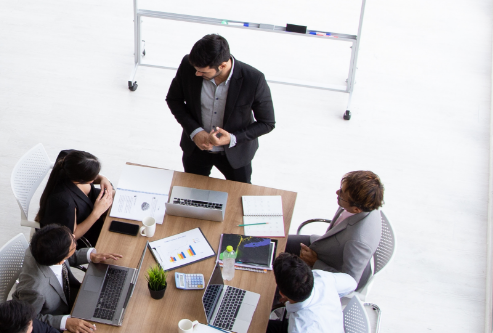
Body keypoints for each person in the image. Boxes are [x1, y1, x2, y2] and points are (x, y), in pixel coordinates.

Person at [165, 34, 275, 184]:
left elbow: (267, 123)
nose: (197, 74)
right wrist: (195, 131)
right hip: (196, 150)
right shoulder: (189, 65)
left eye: (203, 72)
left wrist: (233, 138)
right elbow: (174, 99)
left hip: (235, 155)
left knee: (238, 196)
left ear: (222, 66)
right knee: (192, 192)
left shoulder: (254, 80)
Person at [13, 224, 122, 333]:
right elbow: (28, 321)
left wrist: (90, 256)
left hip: (71, 296)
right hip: (56, 322)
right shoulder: (34, 289)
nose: (74, 236)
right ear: (60, 260)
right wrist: (65, 323)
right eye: (73, 245)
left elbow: (68, 256)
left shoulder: (43, 247)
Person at [264, 253, 356, 333]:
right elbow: (351, 283)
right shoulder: (322, 278)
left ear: (282, 293)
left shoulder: (300, 332)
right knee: (258, 327)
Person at [285, 171, 385, 288]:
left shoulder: (358, 242)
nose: (337, 192)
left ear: (357, 209)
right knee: (274, 242)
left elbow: (349, 282)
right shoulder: (365, 201)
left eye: (342, 193)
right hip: (327, 247)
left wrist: (315, 262)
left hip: (329, 269)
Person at [35, 149, 115, 248]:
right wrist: (96, 213)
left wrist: (103, 179)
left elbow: (94, 176)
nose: (96, 178)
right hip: (86, 234)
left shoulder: (67, 160)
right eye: (94, 176)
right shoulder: (64, 202)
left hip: (93, 206)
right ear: (80, 179)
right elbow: (71, 237)